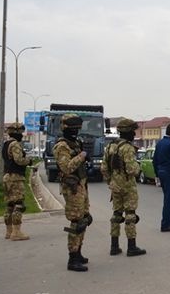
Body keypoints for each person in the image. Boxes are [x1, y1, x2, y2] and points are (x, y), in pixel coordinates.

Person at [53, 113, 92, 272]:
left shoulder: (75, 142)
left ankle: (78, 252)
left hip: (81, 184)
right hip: (72, 187)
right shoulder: (62, 146)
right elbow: (66, 167)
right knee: (76, 221)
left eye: (77, 128)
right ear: (65, 128)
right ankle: (72, 258)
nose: (76, 131)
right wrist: (82, 156)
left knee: (84, 219)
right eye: (73, 128)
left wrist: (85, 158)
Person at [101, 118, 146, 256]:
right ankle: (131, 247)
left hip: (115, 186)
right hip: (128, 186)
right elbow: (132, 170)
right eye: (132, 131)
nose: (134, 134)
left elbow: (103, 168)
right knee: (130, 216)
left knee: (116, 215)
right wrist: (138, 166)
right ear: (127, 132)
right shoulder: (127, 148)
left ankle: (114, 246)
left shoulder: (110, 146)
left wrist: (111, 181)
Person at [2, 123, 32, 241]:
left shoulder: (6, 144)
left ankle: (9, 231)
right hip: (15, 177)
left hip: (7, 176)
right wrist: (28, 161)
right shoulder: (15, 144)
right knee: (19, 204)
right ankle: (16, 232)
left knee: (10, 205)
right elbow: (18, 160)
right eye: (21, 132)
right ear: (17, 132)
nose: (22, 135)